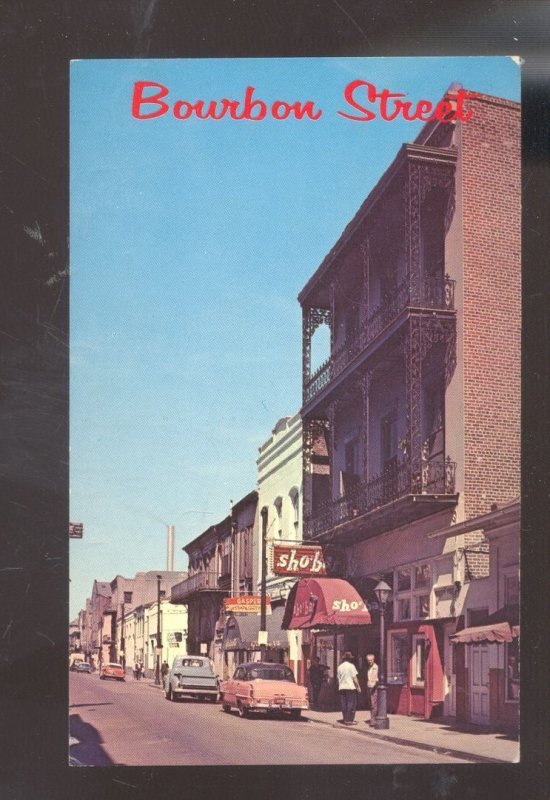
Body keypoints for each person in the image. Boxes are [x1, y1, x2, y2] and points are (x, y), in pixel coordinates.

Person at [337, 651, 360, 725]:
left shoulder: (340, 667)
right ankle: (349, 720)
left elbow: (338, 678)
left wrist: (340, 685)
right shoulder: (351, 666)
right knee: (351, 703)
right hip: (350, 687)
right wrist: (358, 687)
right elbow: (354, 678)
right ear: (350, 659)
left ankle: (344, 719)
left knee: (343, 703)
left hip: (342, 687)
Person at [365, 653, 379, 726]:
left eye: (371, 660)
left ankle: (373, 720)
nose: (370, 662)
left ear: (374, 660)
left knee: (374, 704)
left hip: (374, 688)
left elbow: (377, 679)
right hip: (369, 687)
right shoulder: (369, 668)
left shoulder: (376, 667)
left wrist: (373, 688)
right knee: (370, 704)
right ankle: (372, 719)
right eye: (368, 660)